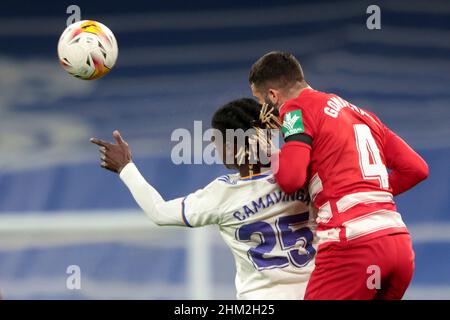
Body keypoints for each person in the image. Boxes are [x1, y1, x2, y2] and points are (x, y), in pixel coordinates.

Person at [90, 98, 317, 299]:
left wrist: (126, 167)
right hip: (319, 291)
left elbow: (158, 212)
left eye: (216, 141)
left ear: (231, 147)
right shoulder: (307, 175)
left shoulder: (223, 194)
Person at [248, 51, 429, 300]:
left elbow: (291, 179)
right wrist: (363, 192)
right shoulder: (360, 113)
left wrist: (271, 153)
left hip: (354, 246)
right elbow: (417, 169)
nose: (263, 110)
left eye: (260, 101)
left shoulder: (295, 110)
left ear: (272, 95)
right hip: (398, 246)